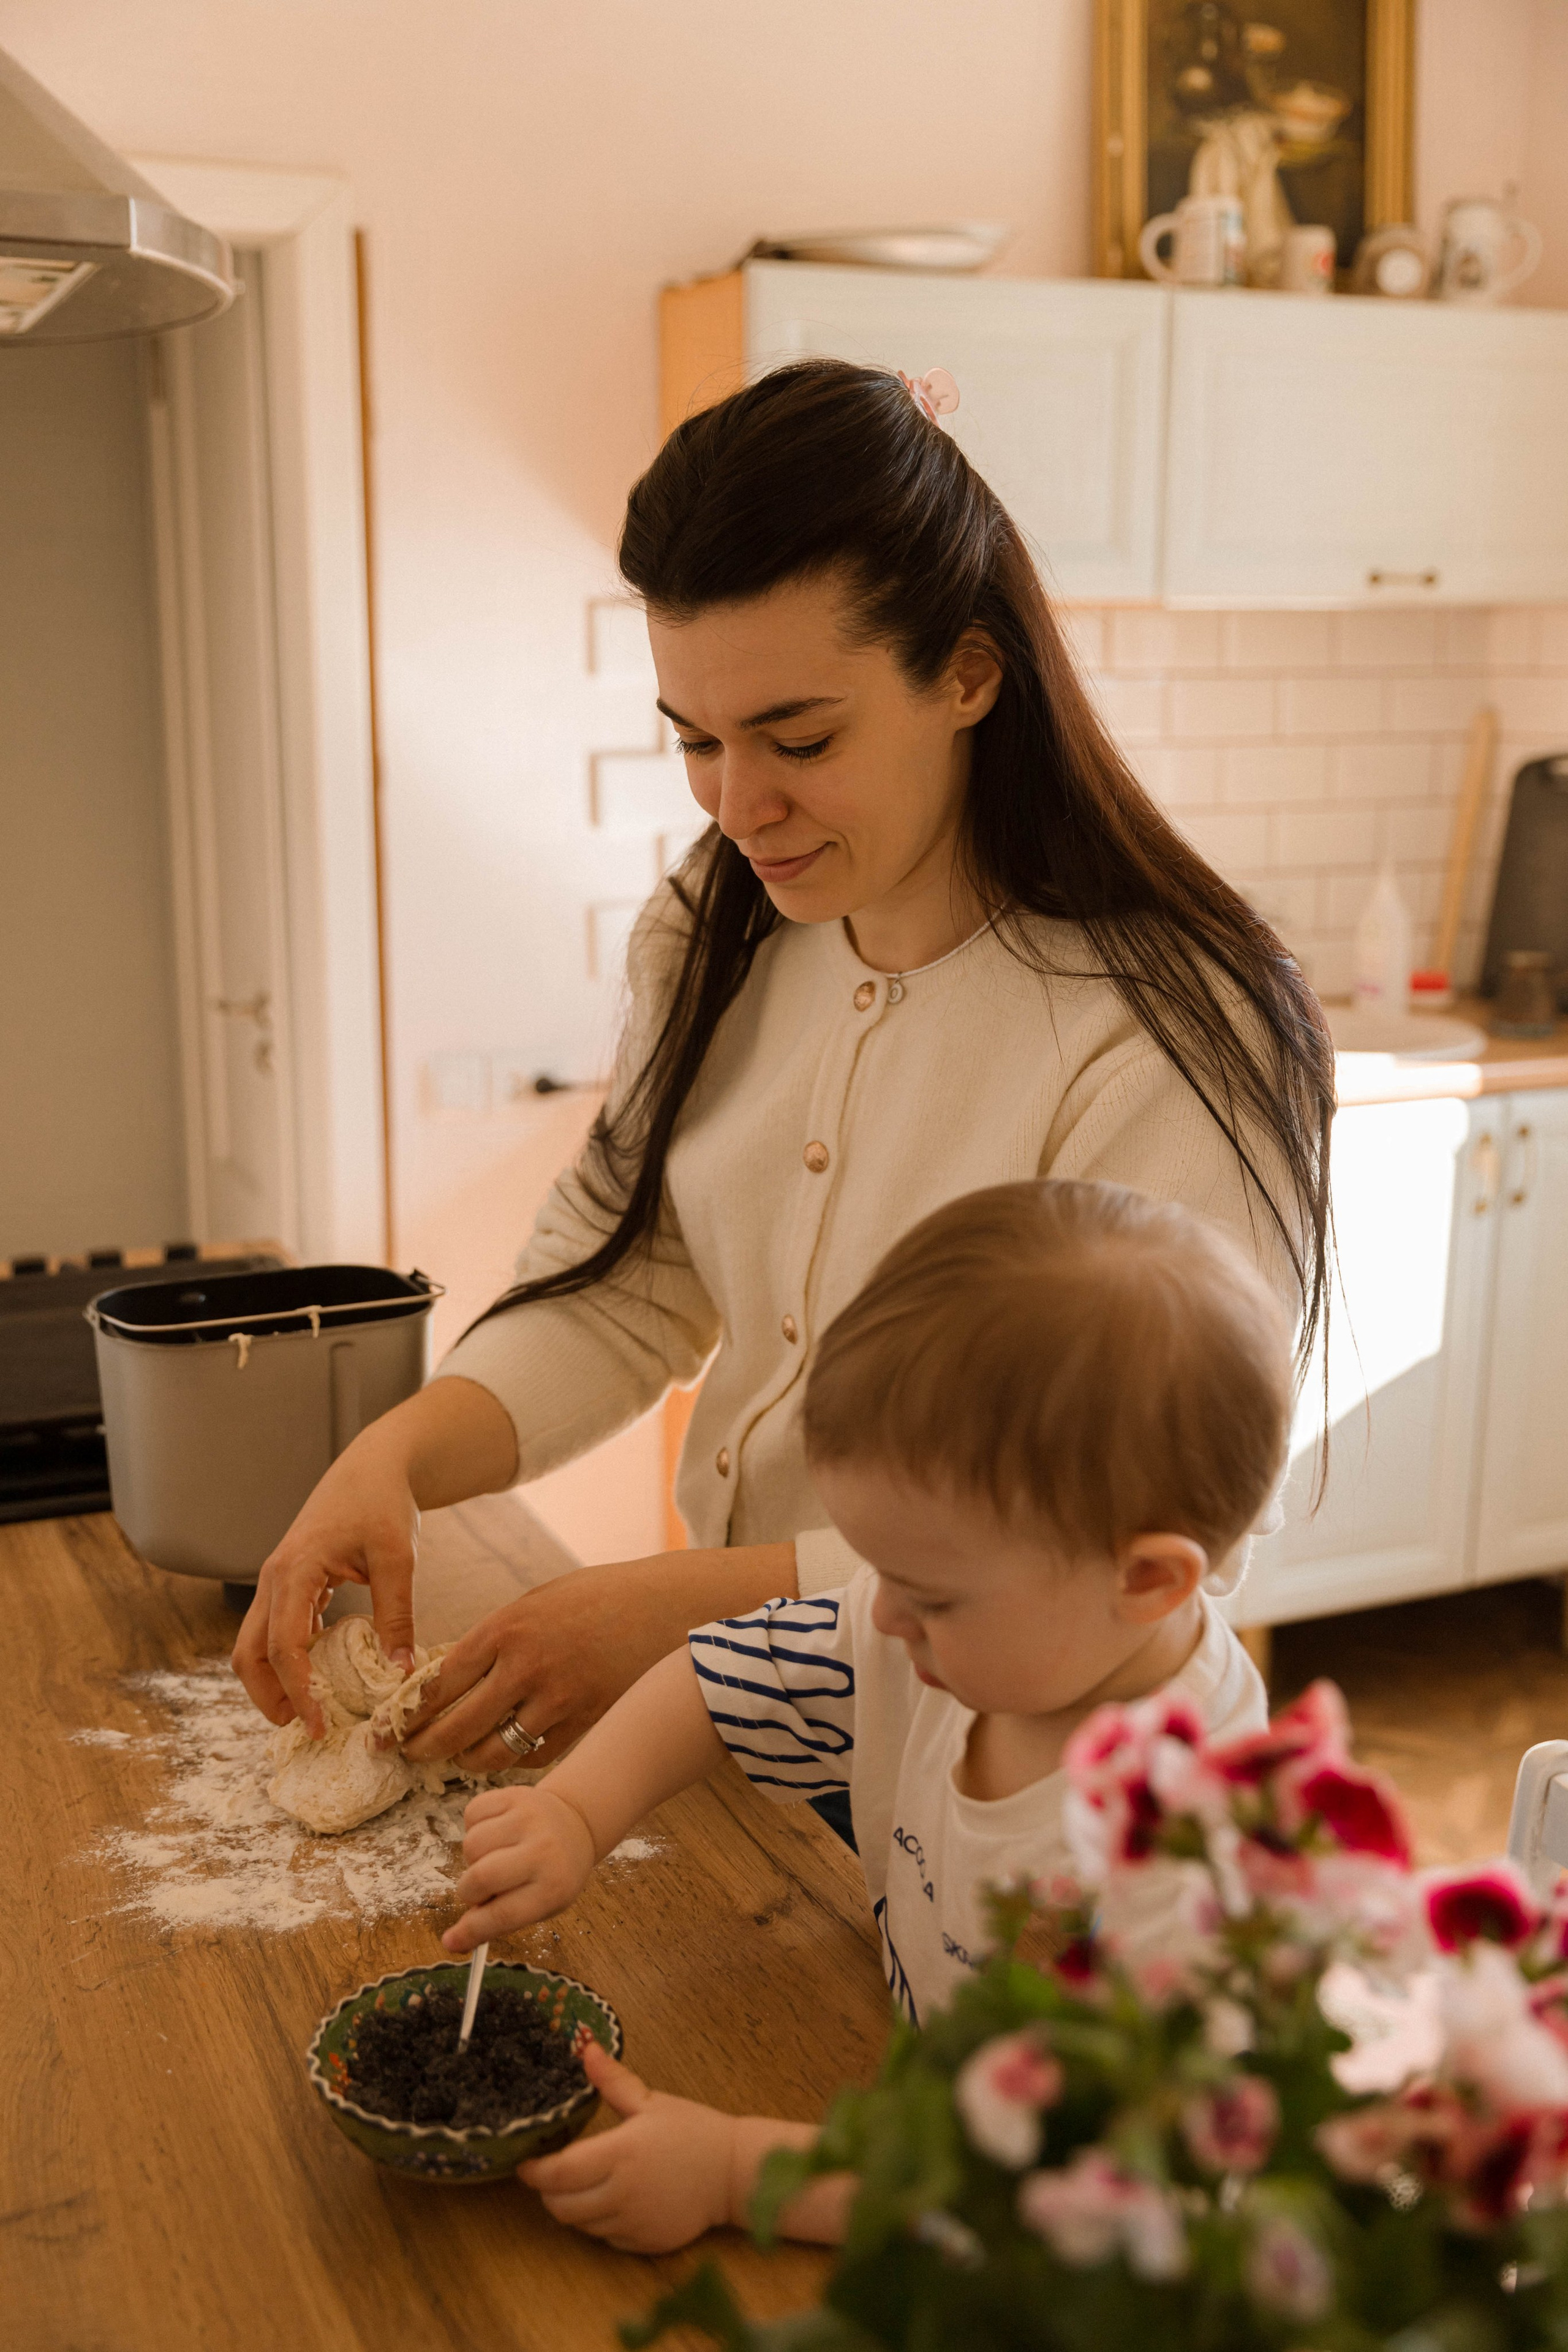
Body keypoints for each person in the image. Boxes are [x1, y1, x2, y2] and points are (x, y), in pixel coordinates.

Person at [233, 356, 1332, 1781]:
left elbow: (1142, 1514)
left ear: (966, 676)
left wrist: (668, 1615)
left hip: (1029, 1775)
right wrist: (390, 1460)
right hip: (756, 1727)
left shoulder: (1174, 1028)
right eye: (694, 739)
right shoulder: (716, 929)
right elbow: (629, 1283)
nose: (736, 805)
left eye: (797, 739)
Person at [439, 1178, 1291, 2254]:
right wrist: (572, 1812)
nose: (880, 1612)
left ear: (1151, 1581)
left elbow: (1074, 2203)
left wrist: (743, 2172)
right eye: (879, 1569)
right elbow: (720, 1678)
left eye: (929, 1593)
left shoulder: (1194, 1860)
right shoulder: (946, 1635)